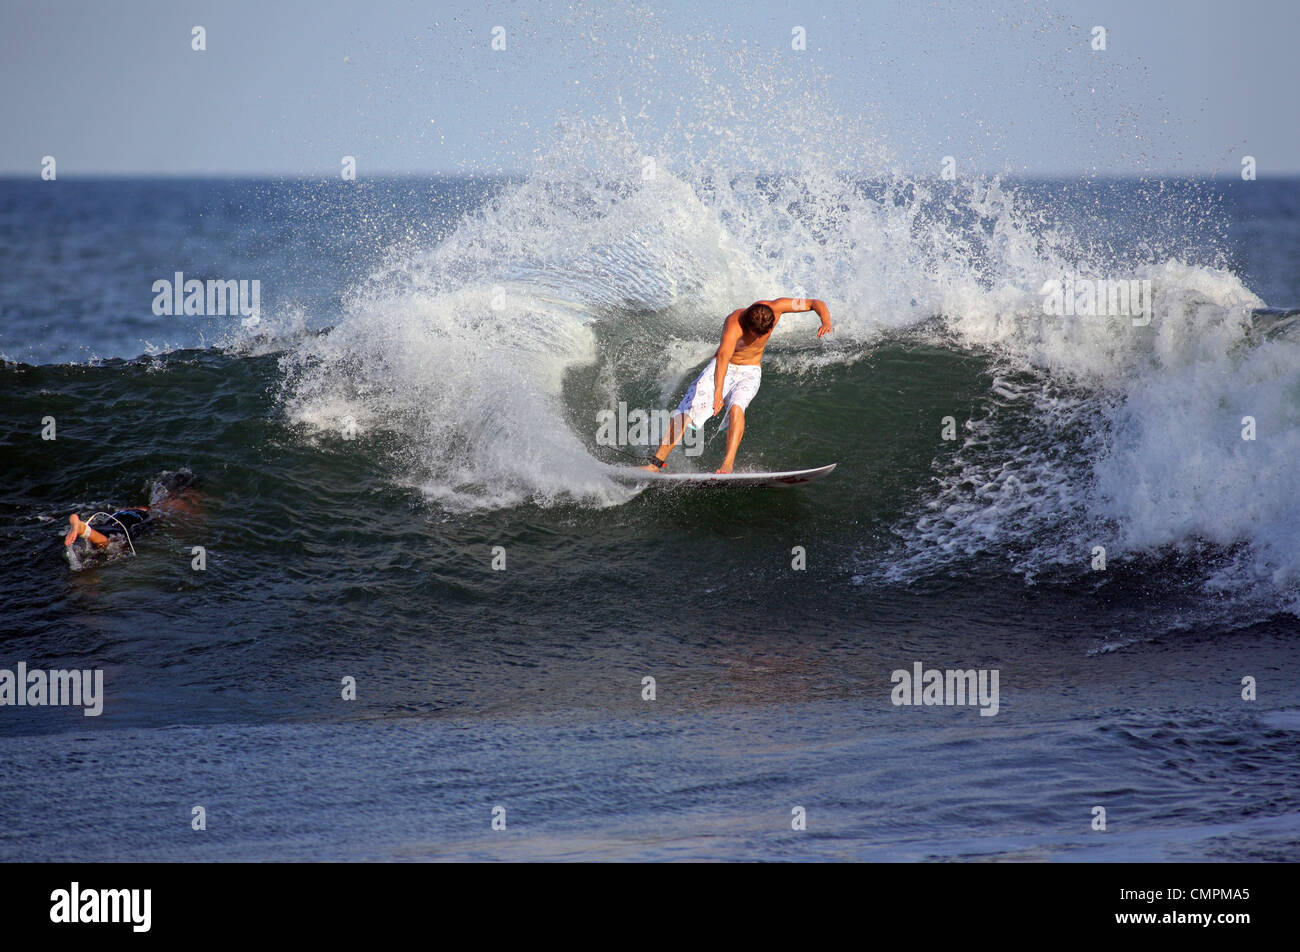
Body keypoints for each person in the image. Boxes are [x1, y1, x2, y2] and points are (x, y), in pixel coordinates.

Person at [643, 298, 832, 473]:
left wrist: (826, 321)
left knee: (736, 408)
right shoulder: (734, 324)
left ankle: (728, 463)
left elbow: (815, 303)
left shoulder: (777, 307)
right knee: (687, 410)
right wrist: (718, 393)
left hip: (750, 371)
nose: (758, 338)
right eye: (753, 335)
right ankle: (655, 464)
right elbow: (723, 358)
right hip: (723, 366)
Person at [64, 469, 201, 551]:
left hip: (121, 516)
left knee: (106, 536)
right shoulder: (174, 503)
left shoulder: (155, 504)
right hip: (137, 518)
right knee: (112, 544)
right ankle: (82, 528)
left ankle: (81, 526)